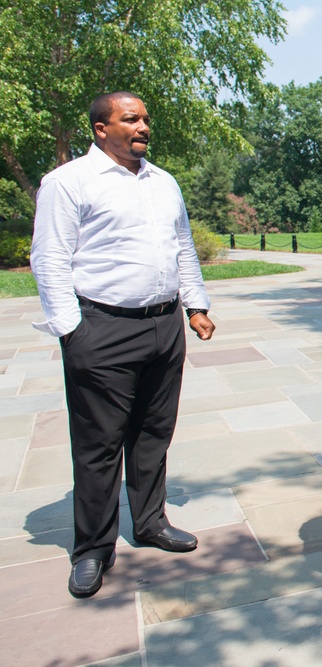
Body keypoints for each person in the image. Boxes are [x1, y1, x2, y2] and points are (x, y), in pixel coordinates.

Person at [30, 91, 216, 599]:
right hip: (101, 329)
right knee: (99, 445)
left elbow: (182, 247)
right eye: (130, 119)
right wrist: (73, 330)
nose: (142, 127)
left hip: (163, 326)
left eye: (146, 119)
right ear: (100, 129)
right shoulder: (67, 182)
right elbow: (49, 258)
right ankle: (92, 548)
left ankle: (150, 522)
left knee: (154, 432)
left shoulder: (163, 182)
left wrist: (194, 307)